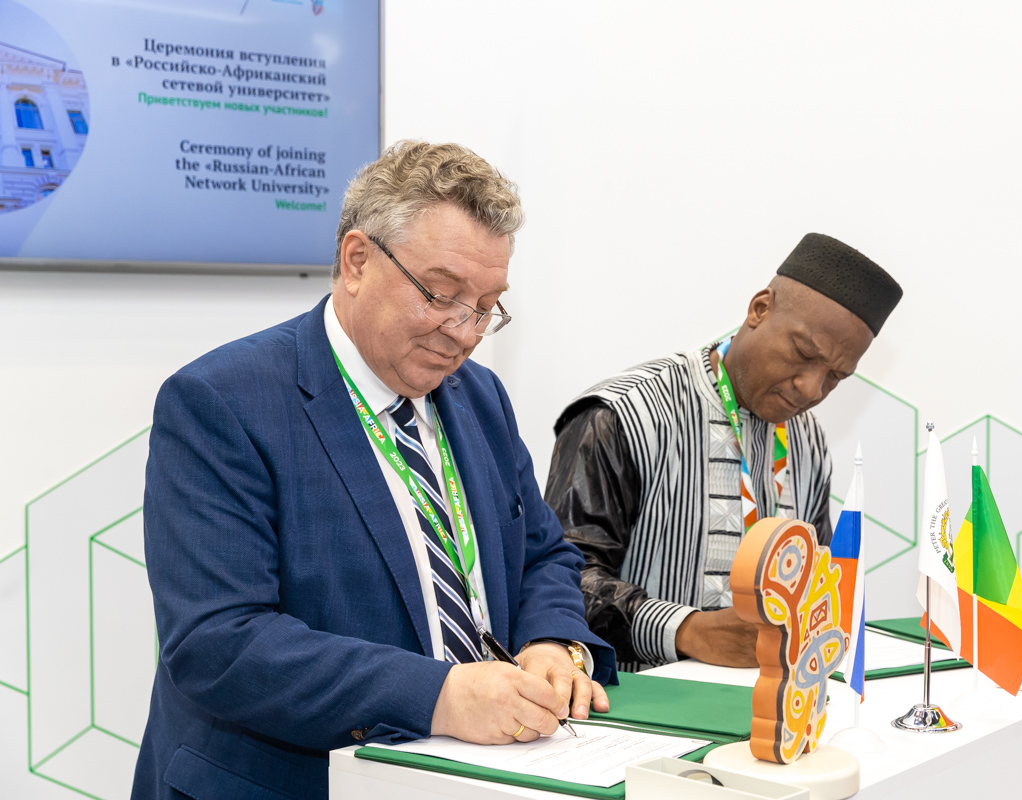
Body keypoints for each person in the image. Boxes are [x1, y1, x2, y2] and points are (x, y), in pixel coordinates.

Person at [134, 141, 616, 800]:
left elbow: (539, 554)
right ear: (357, 260)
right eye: (441, 294)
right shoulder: (224, 401)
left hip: (468, 779)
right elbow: (221, 642)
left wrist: (553, 642)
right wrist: (438, 695)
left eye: (486, 305)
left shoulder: (479, 397)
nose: (466, 331)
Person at [544, 233, 902, 673]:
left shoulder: (807, 441)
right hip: (630, 717)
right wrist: (686, 630)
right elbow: (558, 580)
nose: (812, 388)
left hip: (765, 714)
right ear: (760, 309)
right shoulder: (624, 414)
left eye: (836, 377)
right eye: (803, 353)